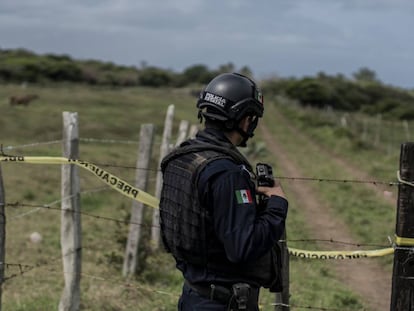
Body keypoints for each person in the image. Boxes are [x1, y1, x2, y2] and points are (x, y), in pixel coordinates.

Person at [159, 72, 288, 310]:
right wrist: (277, 204)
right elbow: (243, 247)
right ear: (245, 119)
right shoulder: (228, 173)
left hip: (192, 295)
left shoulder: (184, 157)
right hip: (224, 302)